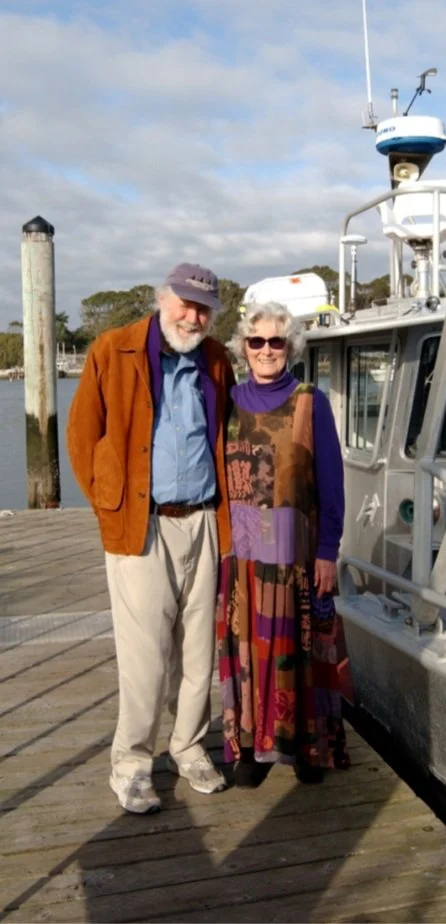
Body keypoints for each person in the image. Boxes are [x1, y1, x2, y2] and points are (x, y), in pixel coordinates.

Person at [67, 262, 235, 814]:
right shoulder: (112, 349)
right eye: (185, 303)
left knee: (198, 651)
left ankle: (187, 747)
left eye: (204, 308)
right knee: (144, 657)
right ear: (163, 299)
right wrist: (109, 504)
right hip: (143, 524)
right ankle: (132, 765)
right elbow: (81, 436)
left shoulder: (216, 361)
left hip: (205, 520)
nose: (193, 316)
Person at [217, 301, 350, 787]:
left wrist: (328, 551)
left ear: (290, 347)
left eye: (276, 341)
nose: (267, 350)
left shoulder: (311, 401)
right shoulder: (229, 401)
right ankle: (251, 748)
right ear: (244, 348)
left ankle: (307, 749)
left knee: (301, 645)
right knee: (251, 645)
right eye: (257, 341)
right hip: (249, 547)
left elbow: (332, 484)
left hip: (298, 546)